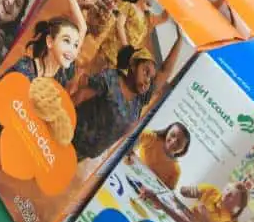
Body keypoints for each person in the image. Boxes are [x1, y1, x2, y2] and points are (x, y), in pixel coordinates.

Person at [0, 0, 87, 151]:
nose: (72, 49)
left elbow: (82, 28)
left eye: (76, 45)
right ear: (49, 42)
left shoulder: (65, 71)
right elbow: (4, 97)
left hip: (19, 116)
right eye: (66, 41)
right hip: (0, 109)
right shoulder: (25, 70)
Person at [70, 30, 183, 163]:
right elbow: (80, 96)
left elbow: (164, 71)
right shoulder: (111, 79)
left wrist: (180, 39)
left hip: (86, 153)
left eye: (151, 78)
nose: (148, 81)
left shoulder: (140, 99)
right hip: (70, 136)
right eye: (145, 72)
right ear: (133, 66)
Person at [138, 122, 191, 190]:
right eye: (172, 135)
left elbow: (166, 193)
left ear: (183, 150)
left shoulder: (175, 171)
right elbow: (130, 138)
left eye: (179, 142)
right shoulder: (151, 137)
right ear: (167, 131)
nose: (174, 141)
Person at [180, 181, 249, 222]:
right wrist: (188, 191)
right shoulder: (211, 191)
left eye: (232, 196)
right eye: (227, 189)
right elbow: (183, 191)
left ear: (238, 205)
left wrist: (206, 221)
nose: (227, 194)